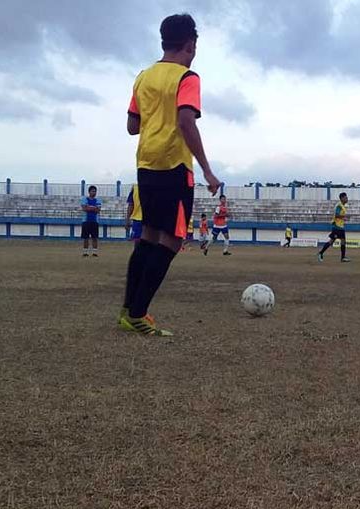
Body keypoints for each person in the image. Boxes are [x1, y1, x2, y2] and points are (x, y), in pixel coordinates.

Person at [120, 13, 221, 336]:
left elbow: (132, 126)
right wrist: (207, 170)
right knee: (173, 240)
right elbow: (186, 121)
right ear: (190, 45)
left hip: (145, 165)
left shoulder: (143, 77)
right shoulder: (187, 78)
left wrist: (155, 118)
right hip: (174, 166)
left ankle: (128, 311)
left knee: (148, 236)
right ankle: (139, 313)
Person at [318, 192, 350, 263]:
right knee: (338, 241)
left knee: (337, 241)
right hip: (337, 226)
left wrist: (343, 218)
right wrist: (344, 217)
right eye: (345, 197)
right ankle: (342, 257)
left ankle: (321, 253)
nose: (347, 199)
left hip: (340, 226)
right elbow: (337, 215)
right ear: (342, 198)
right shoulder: (339, 206)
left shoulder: (342, 206)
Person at [80, 185, 102, 257]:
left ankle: (94, 252)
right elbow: (84, 209)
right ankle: (85, 252)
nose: (94, 192)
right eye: (93, 191)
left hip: (95, 221)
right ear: (89, 192)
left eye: (95, 191)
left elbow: (98, 210)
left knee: (94, 238)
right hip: (86, 221)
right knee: (86, 238)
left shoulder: (98, 200)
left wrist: (89, 207)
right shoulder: (84, 199)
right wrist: (94, 208)